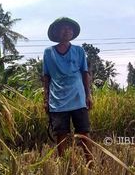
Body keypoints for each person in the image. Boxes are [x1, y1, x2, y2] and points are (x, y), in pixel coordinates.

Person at [43, 17, 93, 164]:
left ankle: (90, 163)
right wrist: (45, 100)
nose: (67, 31)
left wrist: (88, 95)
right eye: (63, 28)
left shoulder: (79, 51)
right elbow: (46, 77)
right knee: (61, 134)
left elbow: (85, 74)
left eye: (69, 29)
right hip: (57, 100)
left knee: (84, 132)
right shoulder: (48, 52)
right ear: (56, 32)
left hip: (78, 97)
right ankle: (65, 165)